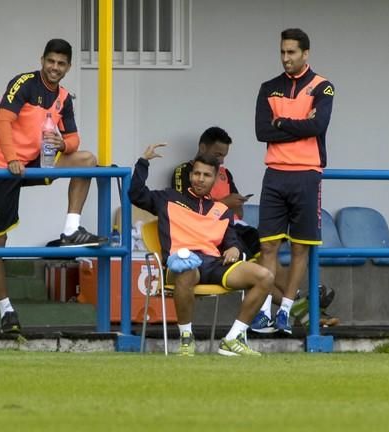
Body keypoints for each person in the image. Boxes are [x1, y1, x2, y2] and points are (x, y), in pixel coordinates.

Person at [0, 39, 107, 334]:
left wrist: (64, 143)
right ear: (42, 60)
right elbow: (2, 123)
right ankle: (6, 310)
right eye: (51, 61)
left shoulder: (64, 97)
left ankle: (71, 229)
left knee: (87, 160)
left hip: (31, 164)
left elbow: (74, 139)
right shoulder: (23, 83)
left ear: (68, 67)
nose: (55, 68)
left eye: (61, 64)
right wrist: (10, 159)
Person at [171, 126, 339, 333]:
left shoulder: (225, 173)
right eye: (217, 154)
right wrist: (224, 202)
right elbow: (186, 206)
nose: (221, 160)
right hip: (207, 233)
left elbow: (237, 210)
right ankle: (306, 305)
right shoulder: (183, 171)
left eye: (224, 156)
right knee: (261, 268)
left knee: (268, 258)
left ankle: (302, 306)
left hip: (233, 226)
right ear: (202, 147)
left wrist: (235, 203)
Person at [130, 143, 273, 356]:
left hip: (213, 264)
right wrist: (143, 162)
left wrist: (234, 248)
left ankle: (233, 338)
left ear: (215, 179)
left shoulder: (221, 210)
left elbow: (230, 239)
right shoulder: (168, 198)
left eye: (206, 175)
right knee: (187, 271)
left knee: (265, 276)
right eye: (196, 173)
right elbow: (136, 194)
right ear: (190, 176)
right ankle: (187, 339)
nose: (200, 178)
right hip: (182, 264)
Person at [254, 28, 335, 334]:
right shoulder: (268, 87)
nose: (286, 58)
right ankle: (262, 311)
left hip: (307, 174)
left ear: (305, 54)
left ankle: (285, 312)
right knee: (269, 245)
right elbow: (262, 132)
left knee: (301, 248)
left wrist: (283, 123)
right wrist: (297, 127)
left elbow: (318, 125)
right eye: (282, 52)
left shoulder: (322, 86)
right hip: (274, 173)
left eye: (291, 53)